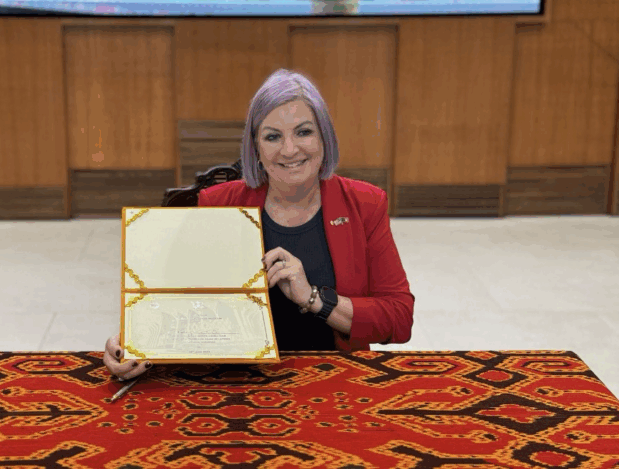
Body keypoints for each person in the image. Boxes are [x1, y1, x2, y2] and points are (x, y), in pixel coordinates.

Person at [104, 69, 414, 380]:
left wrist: (313, 299)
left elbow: (399, 319)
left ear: (324, 137)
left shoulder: (365, 204)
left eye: (304, 132)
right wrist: (131, 341)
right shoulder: (219, 203)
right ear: (256, 148)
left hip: (334, 381)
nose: (289, 149)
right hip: (235, 380)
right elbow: (170, 304)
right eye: (273, 136)